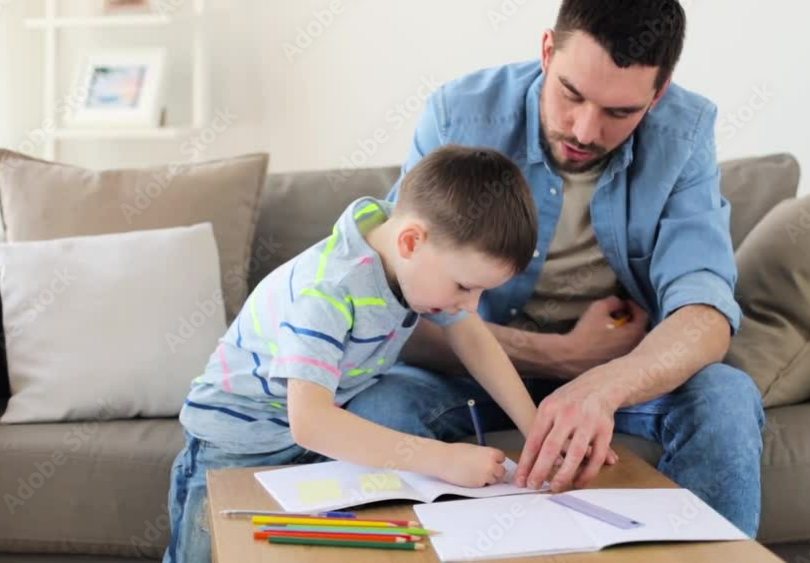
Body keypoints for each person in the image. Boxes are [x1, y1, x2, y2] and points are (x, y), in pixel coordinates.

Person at [342, 0, 766, 537]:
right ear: (547, 51)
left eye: (620, 113)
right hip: (467, 374)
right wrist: (562, 357)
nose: (586, 130)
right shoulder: (458, 115)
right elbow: (395, 305)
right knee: (377, 404)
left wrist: (602, 386)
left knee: (727, 399)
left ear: (657, 94)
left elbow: (704, 313)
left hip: (615, 375)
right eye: (572, 94)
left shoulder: (686, 134)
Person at [164, 145, 540, 563]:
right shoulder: (329, 291)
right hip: (233, 446)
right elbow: (310, 423)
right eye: (464, 287)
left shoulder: (410, 250)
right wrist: (445, 460)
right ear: (411, 241)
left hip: (306, 437)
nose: (470, 305)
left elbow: (472, 336)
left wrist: (534, 429)